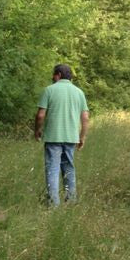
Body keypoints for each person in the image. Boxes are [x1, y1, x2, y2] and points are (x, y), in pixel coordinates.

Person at [34, 63, 89, 207]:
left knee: (53, 169)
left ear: (58, 74)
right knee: (69, 168)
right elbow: (85, 118)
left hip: (53, 137)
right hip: (71, 137)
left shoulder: (49, 90)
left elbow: (40, 115)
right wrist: (82, 137)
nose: (52, 77)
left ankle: (53, 204)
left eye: (54, 74)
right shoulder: (79, 92)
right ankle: (70, 201)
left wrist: (37, 130)